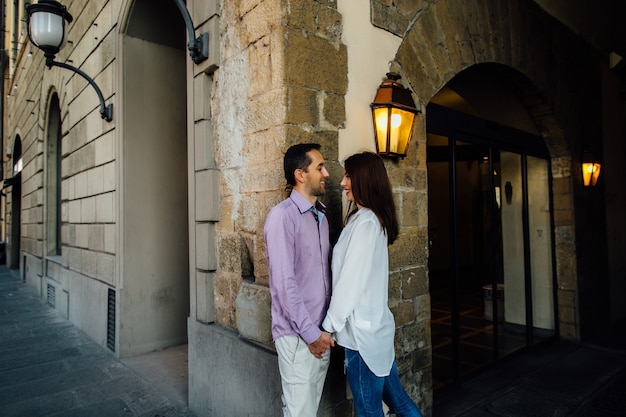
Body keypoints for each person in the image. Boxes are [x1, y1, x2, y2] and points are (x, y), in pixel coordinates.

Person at [322, 151, 423, 417]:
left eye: (348, 176)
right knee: (400, 403)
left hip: (363, 342)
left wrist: (329, 326)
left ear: (364, 179)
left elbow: (350, 283)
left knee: (369, 412)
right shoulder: (365, 218)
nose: (342, 183)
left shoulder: (366, 223)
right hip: (374, 335)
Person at [264, 143, 335, 417]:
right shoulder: (282, 217)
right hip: (299, 338)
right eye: (319, 167)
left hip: (320, 334)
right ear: (300, 175)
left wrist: (323, 332)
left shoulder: (321, 217)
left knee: (307, 410)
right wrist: (310, 334)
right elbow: (284, 285)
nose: (326, 173)